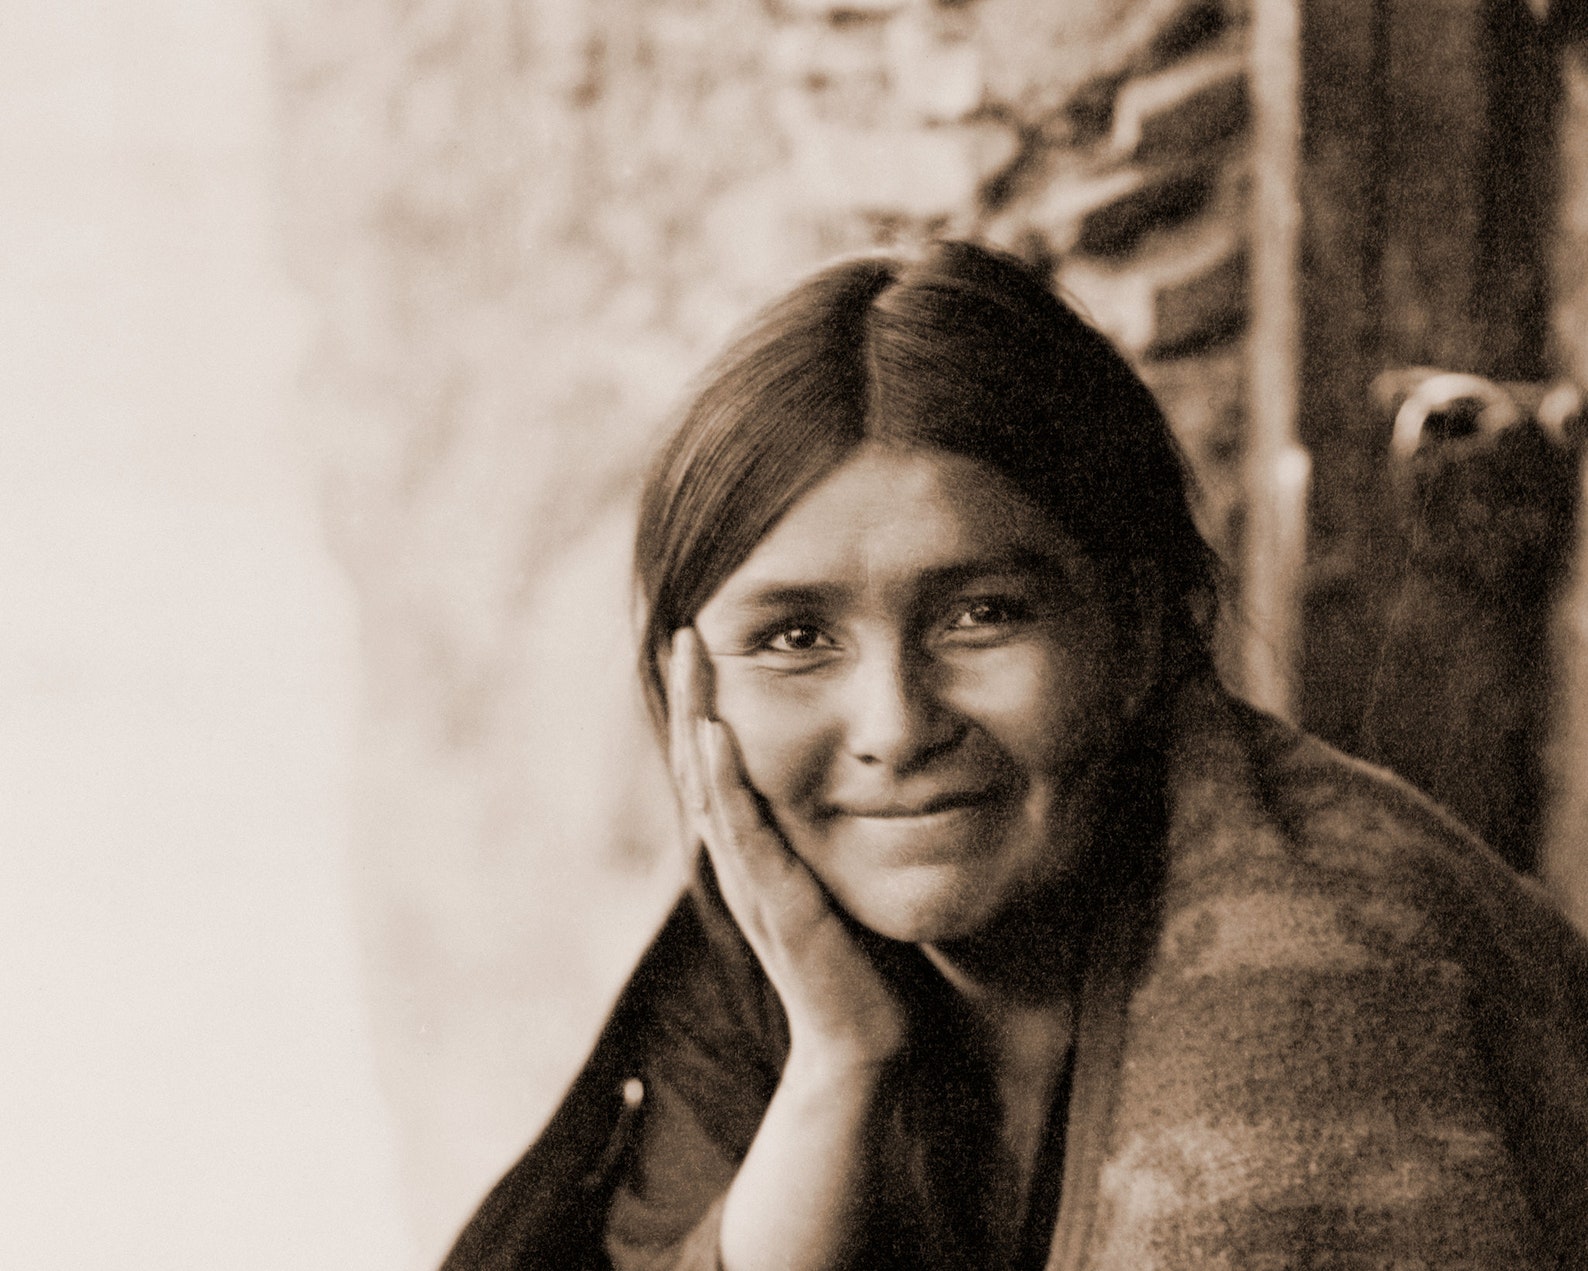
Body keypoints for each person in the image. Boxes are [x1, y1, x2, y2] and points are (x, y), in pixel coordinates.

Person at [442, 241, 1588, 1271]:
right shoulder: (770, 947)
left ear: (1138, 629)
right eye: (794, 638)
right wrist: (839, 1062)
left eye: (980, 614)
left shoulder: (1331, 987)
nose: (894, 725)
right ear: (698, 687)